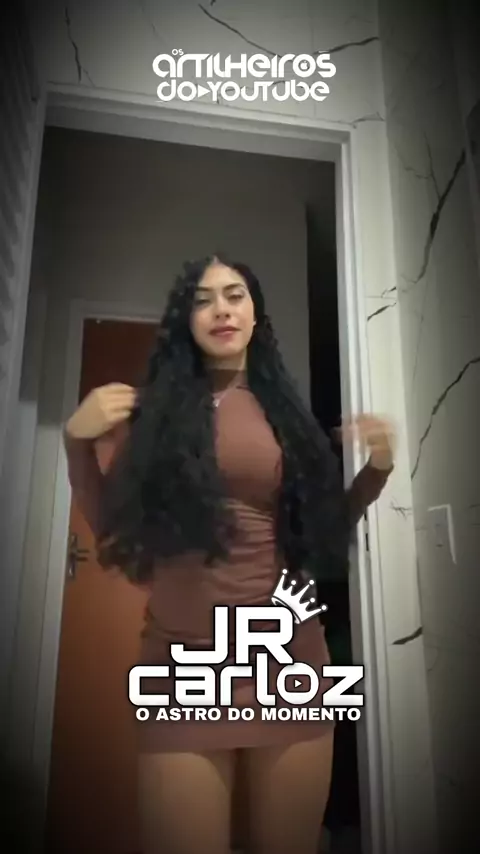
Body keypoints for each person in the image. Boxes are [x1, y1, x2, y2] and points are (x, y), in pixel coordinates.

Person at [63, 254, 395, 854]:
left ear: (255, 314)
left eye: (235, 294)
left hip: (285, 659)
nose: (220, 308)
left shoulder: (284, 413)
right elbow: (112, 525)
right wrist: (75, 443)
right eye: (203, 298)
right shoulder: (152, 414)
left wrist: (378, 469)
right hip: (182, 664)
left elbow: (322, 526)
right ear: (185, 320)